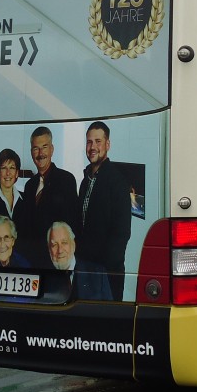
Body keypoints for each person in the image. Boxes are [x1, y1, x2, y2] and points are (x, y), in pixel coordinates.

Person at [76, 121, 132, 301]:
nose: (93, 147)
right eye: (89, 142)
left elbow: (122, 233)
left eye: (98, 141)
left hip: (106, 272)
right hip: (85, 267)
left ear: (107, 144)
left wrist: (104, 268)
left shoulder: (118, 182)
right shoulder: (86, 180)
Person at [18, 126, 77, 270]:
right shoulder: (30, 185)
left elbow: (73, 224)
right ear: (31, 152)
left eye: (44, 147)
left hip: (56, 262)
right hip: (33, 262)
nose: (40, 153)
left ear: (52, 149)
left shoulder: (66, 180)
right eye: (35, 148)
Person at [49, 220, 112, 301]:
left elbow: (108, 311)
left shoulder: (98, 275)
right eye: (54, 245)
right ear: (49, 249)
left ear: (73, 244)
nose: (60, 250)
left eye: (64, 242)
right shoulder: (44, 278)